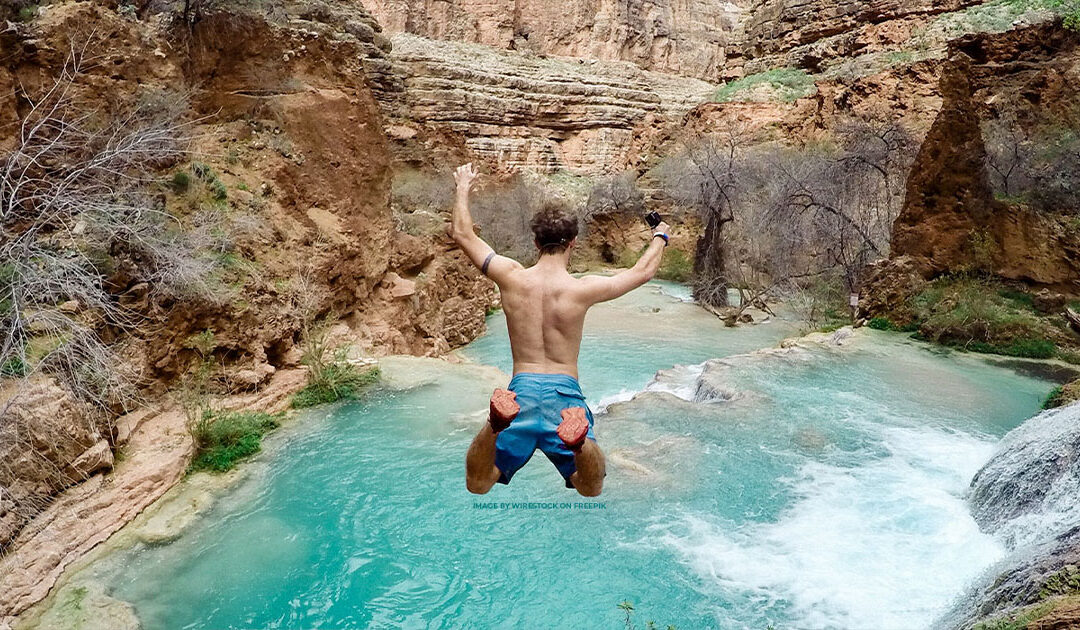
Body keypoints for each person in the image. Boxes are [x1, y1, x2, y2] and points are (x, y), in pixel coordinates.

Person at [449, 163, 671, 497]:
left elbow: (464, 234)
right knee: (590, 487)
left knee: (478, 484)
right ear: (574, 244)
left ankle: (496, 424)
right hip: (564, 394)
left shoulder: (510, 276)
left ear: (536, 242)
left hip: (519, 392)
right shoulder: (581, 289)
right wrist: (661, 236)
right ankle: (579, 443)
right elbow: (643, 272)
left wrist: (463, 186)